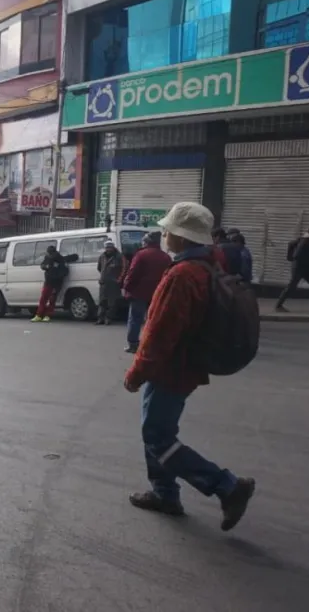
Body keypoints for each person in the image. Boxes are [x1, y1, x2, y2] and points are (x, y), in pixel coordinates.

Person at [124, 201, 255, 531]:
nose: (164, 235)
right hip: (186, 365)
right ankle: (165, 493)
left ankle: (226, 486)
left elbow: (159, 334)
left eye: (167, 231)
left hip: (171, 368)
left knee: (157, 436)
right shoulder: (208, 265)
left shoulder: (183, 276)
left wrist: (136, 373)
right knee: (157, 431)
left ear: (181, 238)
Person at [121, 231, 170, 354]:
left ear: (147, 242)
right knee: (153, 319)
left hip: (139, 293)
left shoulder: (141, 255)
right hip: (157, 293)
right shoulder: (165, 257)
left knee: (135, 319)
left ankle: (133, 344)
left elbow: (132, 274)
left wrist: (126, 287)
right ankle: (152, 344)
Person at [276, 226, 309, 313]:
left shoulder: (307, 240)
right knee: (291, 287)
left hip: (307, 270)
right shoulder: (305, 242)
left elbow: (291, 243)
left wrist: (289, 257)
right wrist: (293, 259)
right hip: (299, 270)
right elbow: (297, 255)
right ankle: (278, 306)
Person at [31, 245, 68, 323]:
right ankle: (39, 315)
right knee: (43, 299)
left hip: (56, 283)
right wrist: (45, 267)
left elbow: (65, 271)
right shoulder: (47, 257)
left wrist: (57, 277)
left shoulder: (60, 259)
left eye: (50, 253)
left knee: (52, 299)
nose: (49, 255)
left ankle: (47, 315)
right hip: (48, 282)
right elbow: (42, 265)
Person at [96, 241, 125, 325]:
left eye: (110, 247)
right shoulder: (102, 256)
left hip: (114, 283)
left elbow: (124, 268)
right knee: (102, 301)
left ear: (113, 248)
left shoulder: (119, 256)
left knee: (112, 303)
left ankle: (108, 318)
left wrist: (119, 279)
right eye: (107, 247)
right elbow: (99, 268)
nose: (108, 249)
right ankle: (100, 318)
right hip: (103, 282)